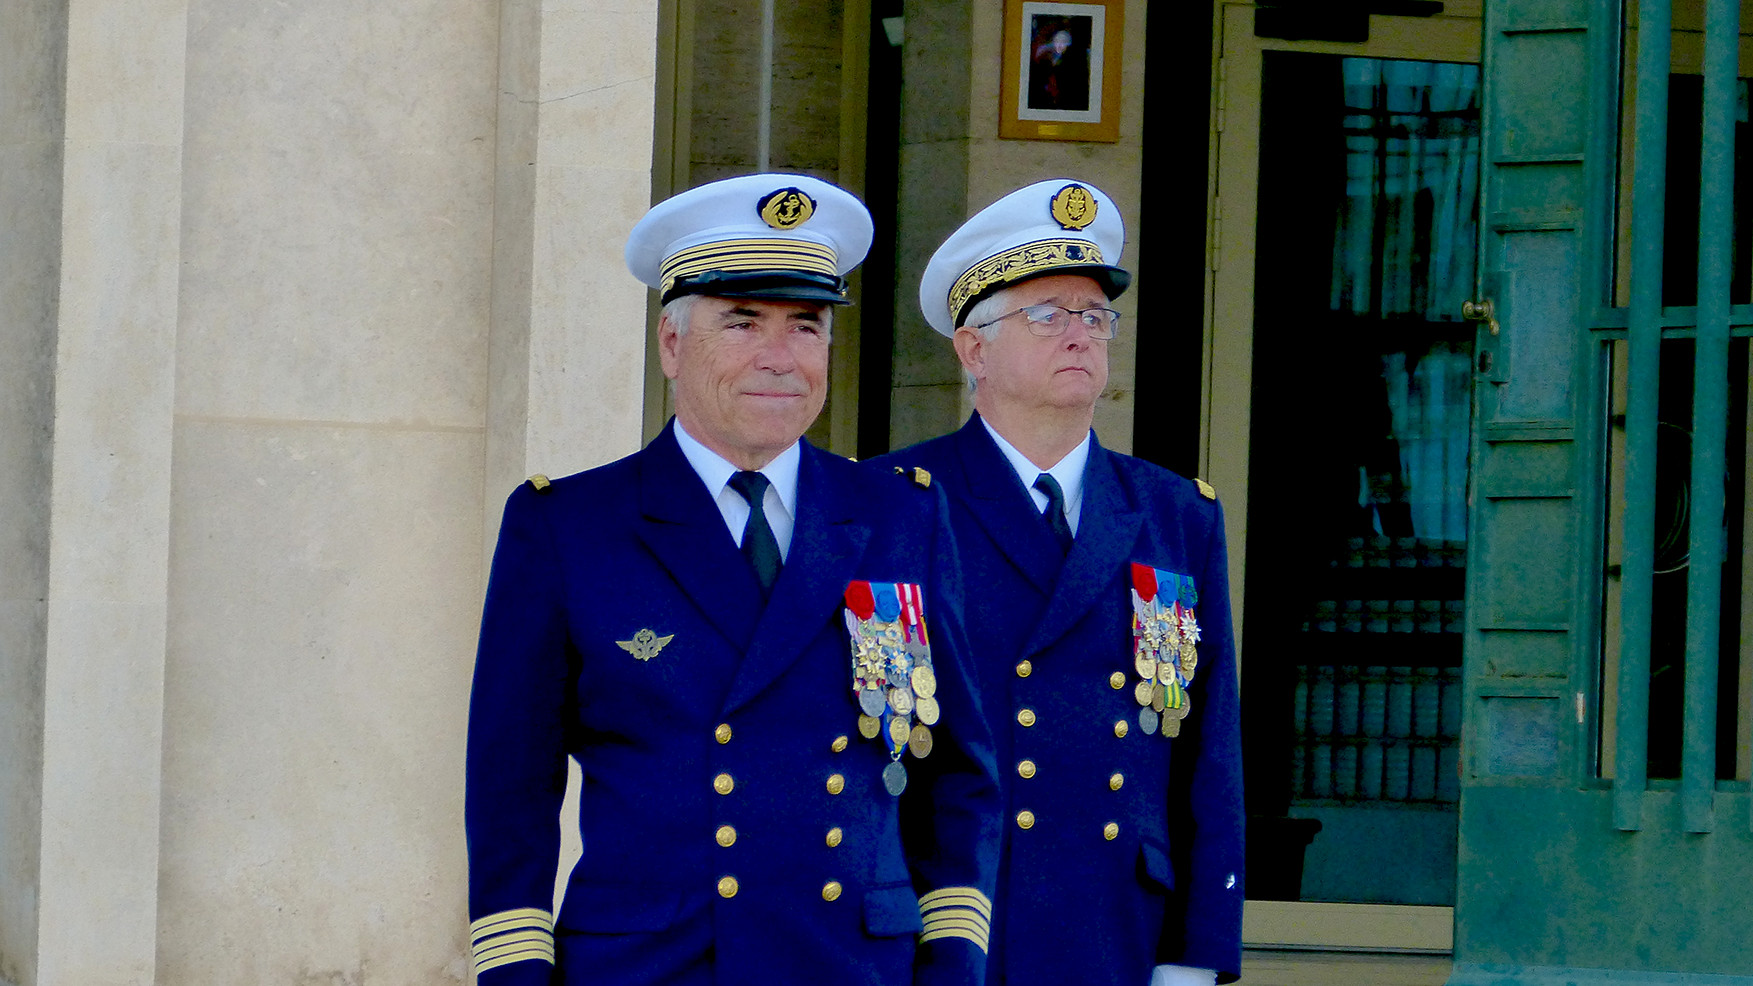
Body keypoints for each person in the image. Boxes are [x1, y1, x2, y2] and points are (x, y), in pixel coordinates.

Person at [465, 173, 1001, 986]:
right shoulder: (570, 526)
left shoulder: (901, 516)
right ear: (671, 344)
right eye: (743, 321)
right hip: (652, 965)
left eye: (806, 326)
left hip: (855, 965)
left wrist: (953, 961)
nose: (779, 358)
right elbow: (511, 786)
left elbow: (956, 772)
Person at [876, 179, 1244, 986]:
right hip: (949, 922)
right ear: (972, 350)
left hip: (1117, 925)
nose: (1079, 334)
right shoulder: (890, 501)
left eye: (1094, 316)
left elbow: (1207, 752)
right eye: (1046, 315)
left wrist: (1196, 953)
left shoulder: (1174, 512)